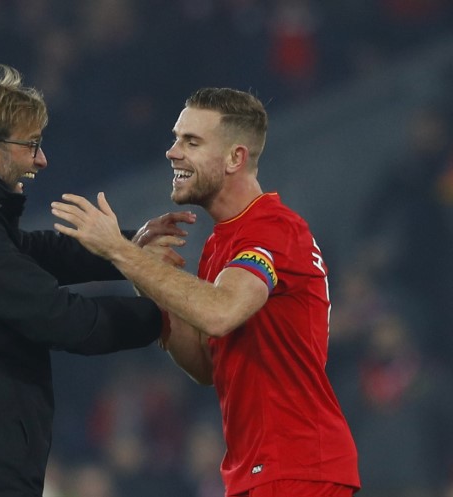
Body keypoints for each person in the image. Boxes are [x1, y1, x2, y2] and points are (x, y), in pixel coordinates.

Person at [0, 64, 185, 496]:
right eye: (32, 146)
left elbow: (32, 254)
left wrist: (129, 245)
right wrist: (164, 313)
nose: (42, 159)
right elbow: (64, 319)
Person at [51, 87, 360, 496]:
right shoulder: (221, 244)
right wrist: (148, 275)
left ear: (236, 158)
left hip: (297, 467)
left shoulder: (272, 229)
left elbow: (221, 312)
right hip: (260, 470)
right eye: (177, 138)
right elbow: (204, 366)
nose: (172, 152)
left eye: (191, 142)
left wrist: (120, 251)